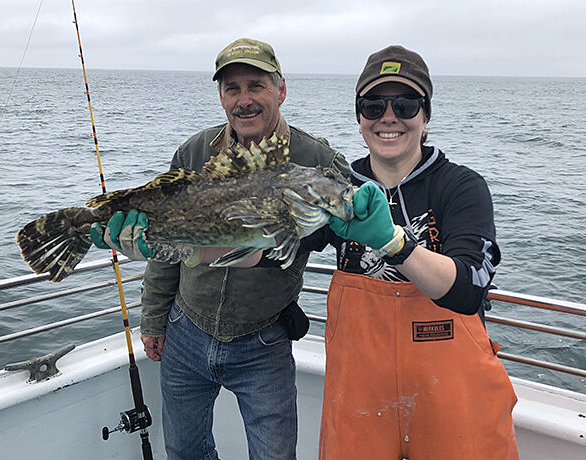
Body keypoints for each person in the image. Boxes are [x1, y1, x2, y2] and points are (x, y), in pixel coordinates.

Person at [90, 38, 349, 460]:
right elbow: (167, 248)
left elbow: (351, 233)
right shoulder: (193, 152)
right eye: (232, 89)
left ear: (280, 89)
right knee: (184, 450)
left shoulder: (315, 159)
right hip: (186, 331)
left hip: (264, 339)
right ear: (221, 96)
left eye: (256, 86)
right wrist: (154, 319)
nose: (244, 100)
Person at [287, 45, 519, 459]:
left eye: (406, 104)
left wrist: (393, 242)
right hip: (360, 402)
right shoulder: (334, 188)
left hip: (453, 401)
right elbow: (267, 252)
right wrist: (169, 241)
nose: (388, 117)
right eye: (373, 105)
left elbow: (468, 289)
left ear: (425, 118)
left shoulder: (460, 187)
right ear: (359, 120)